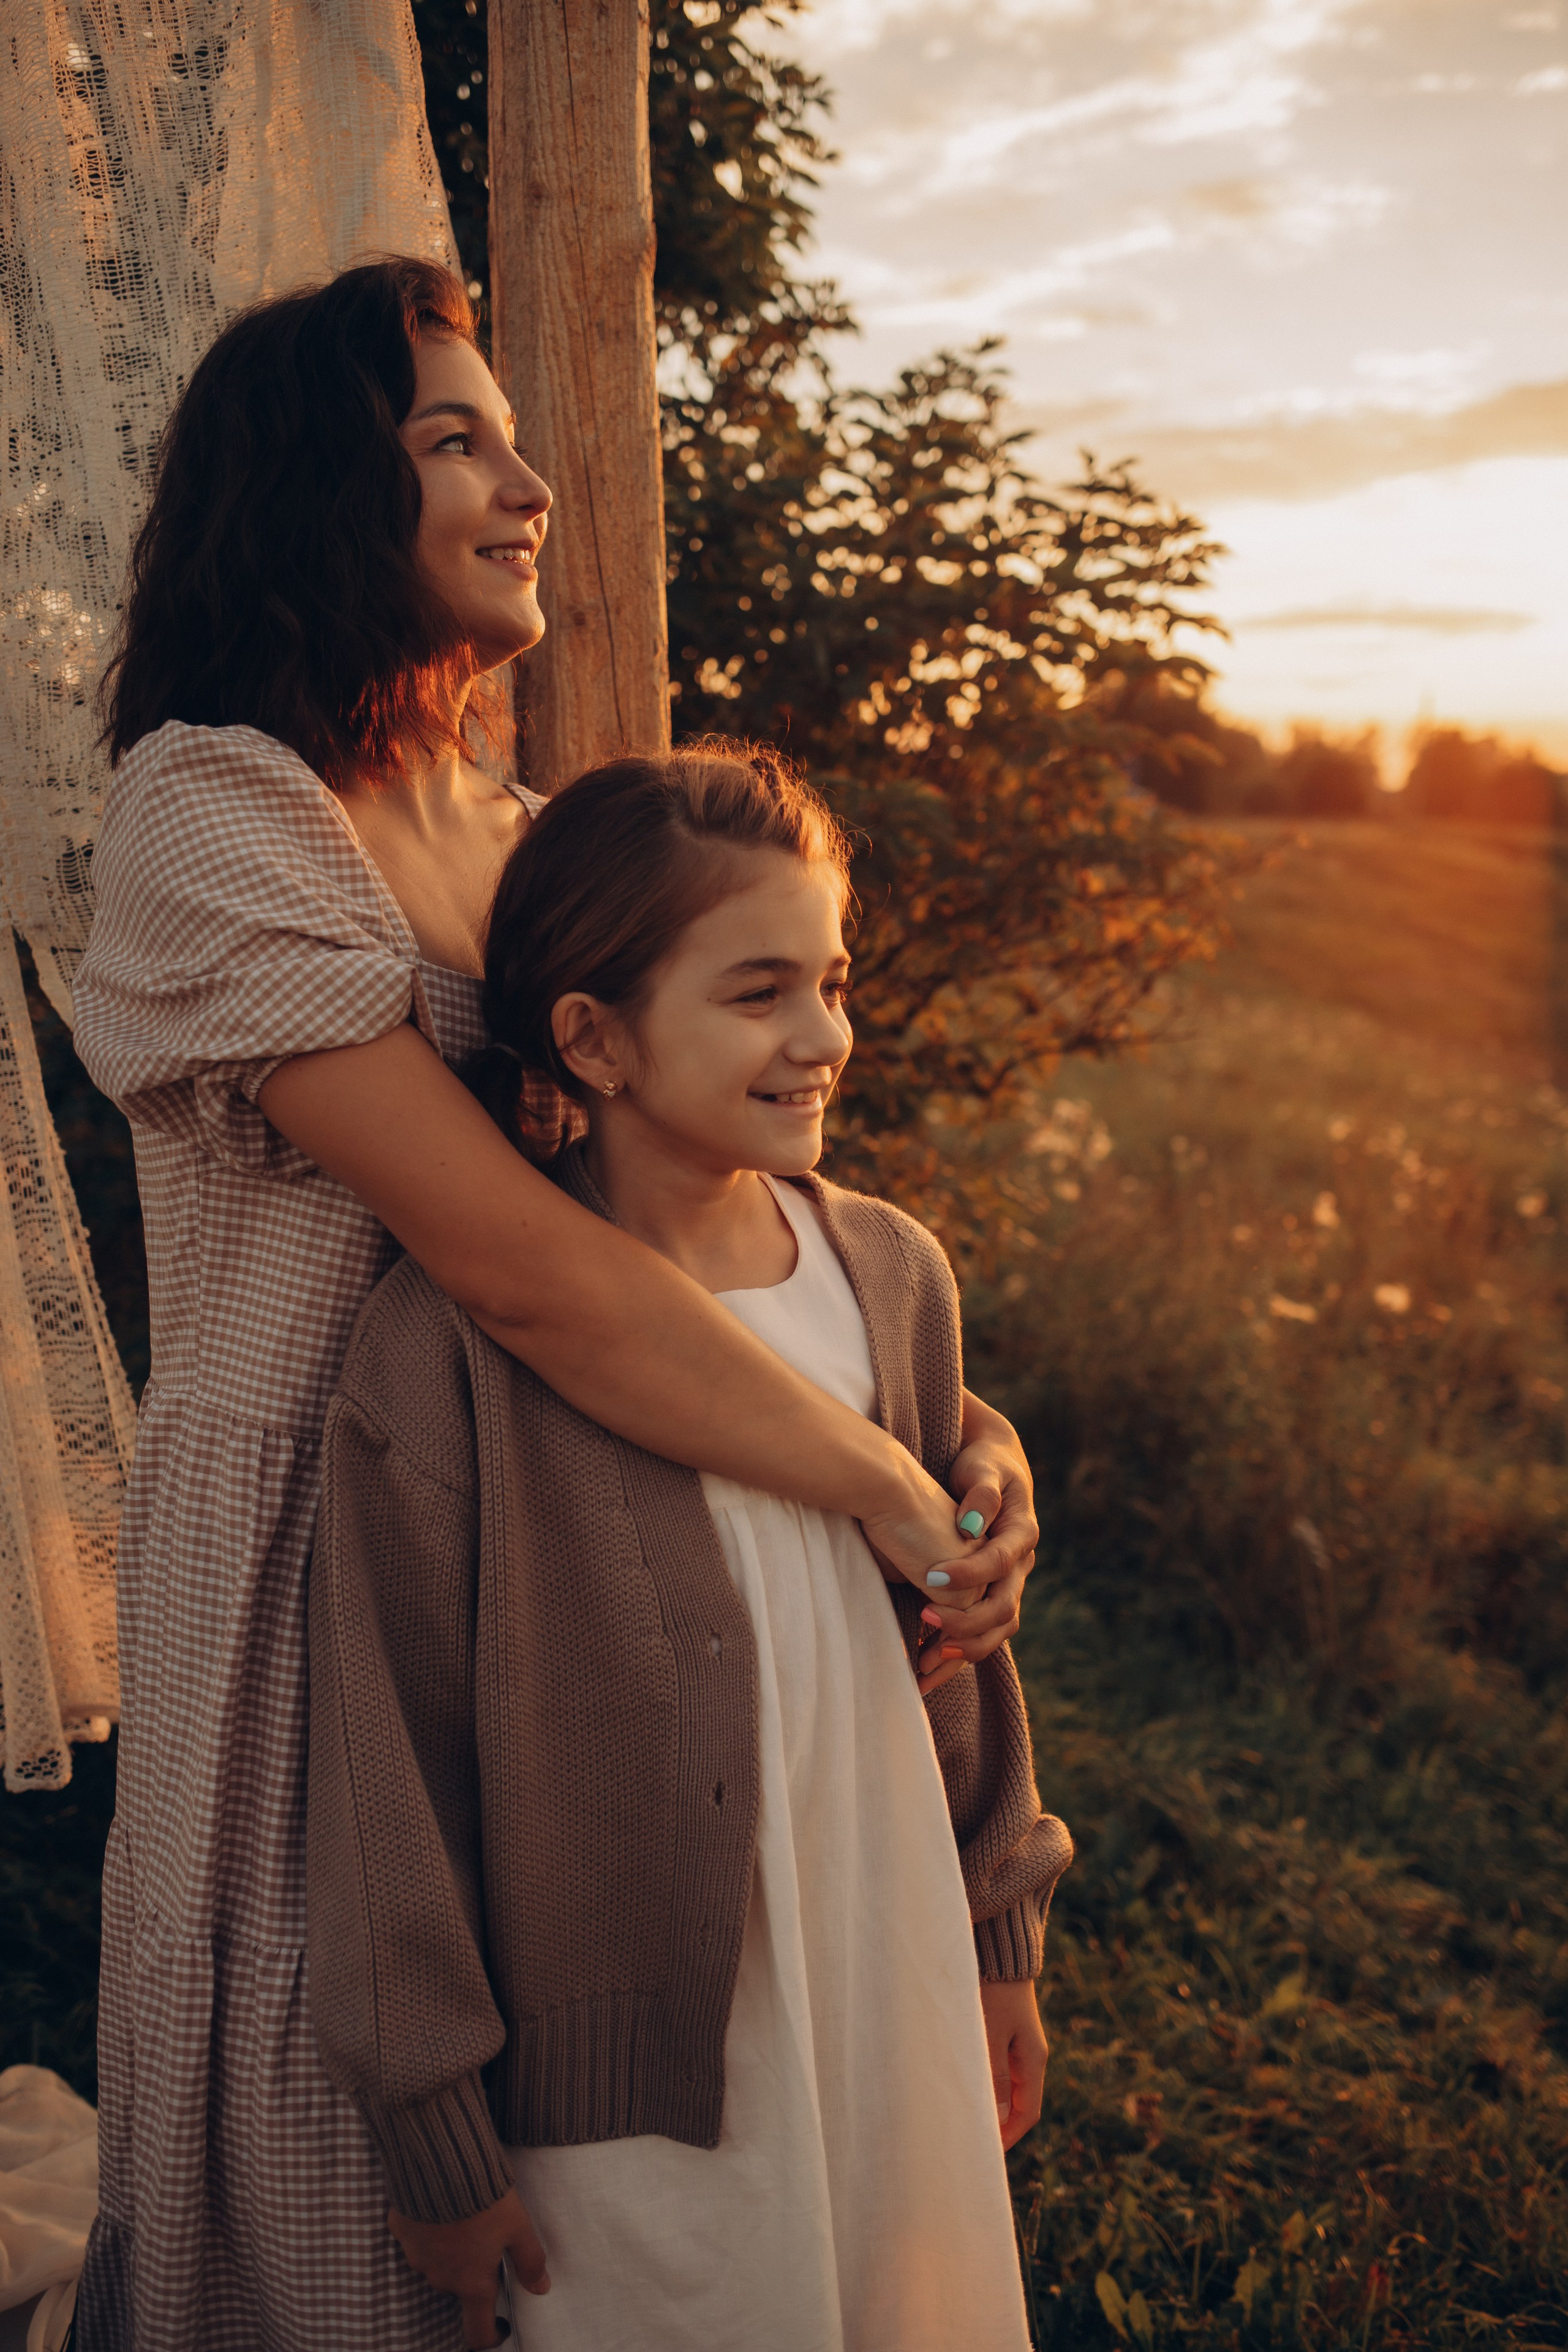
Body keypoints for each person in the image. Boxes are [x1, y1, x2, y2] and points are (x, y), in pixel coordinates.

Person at [68, 258, 1041, 2352]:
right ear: (319, 492)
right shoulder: (215, 811)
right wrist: (878, 1476)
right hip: (315, 1526)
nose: (530, 481)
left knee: (625, 2147)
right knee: (341, 2133)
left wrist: (958, 1444)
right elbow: (514, 1265)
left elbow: (700, 1211)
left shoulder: (522, 836)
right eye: (454, 439)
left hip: (585, 1522)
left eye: (513, 434)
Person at [307, 745, 1074, 2352]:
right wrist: (436, 2134)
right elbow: (390, 1770)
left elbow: (957, 1657)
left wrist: (996, 1925)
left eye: (836, 981)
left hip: (884, 1961)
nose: (824, 1039)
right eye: (759, 993)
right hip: (629, 2075)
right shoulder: (444, 1352)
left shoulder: (888, 1274)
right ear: (591, 1035)